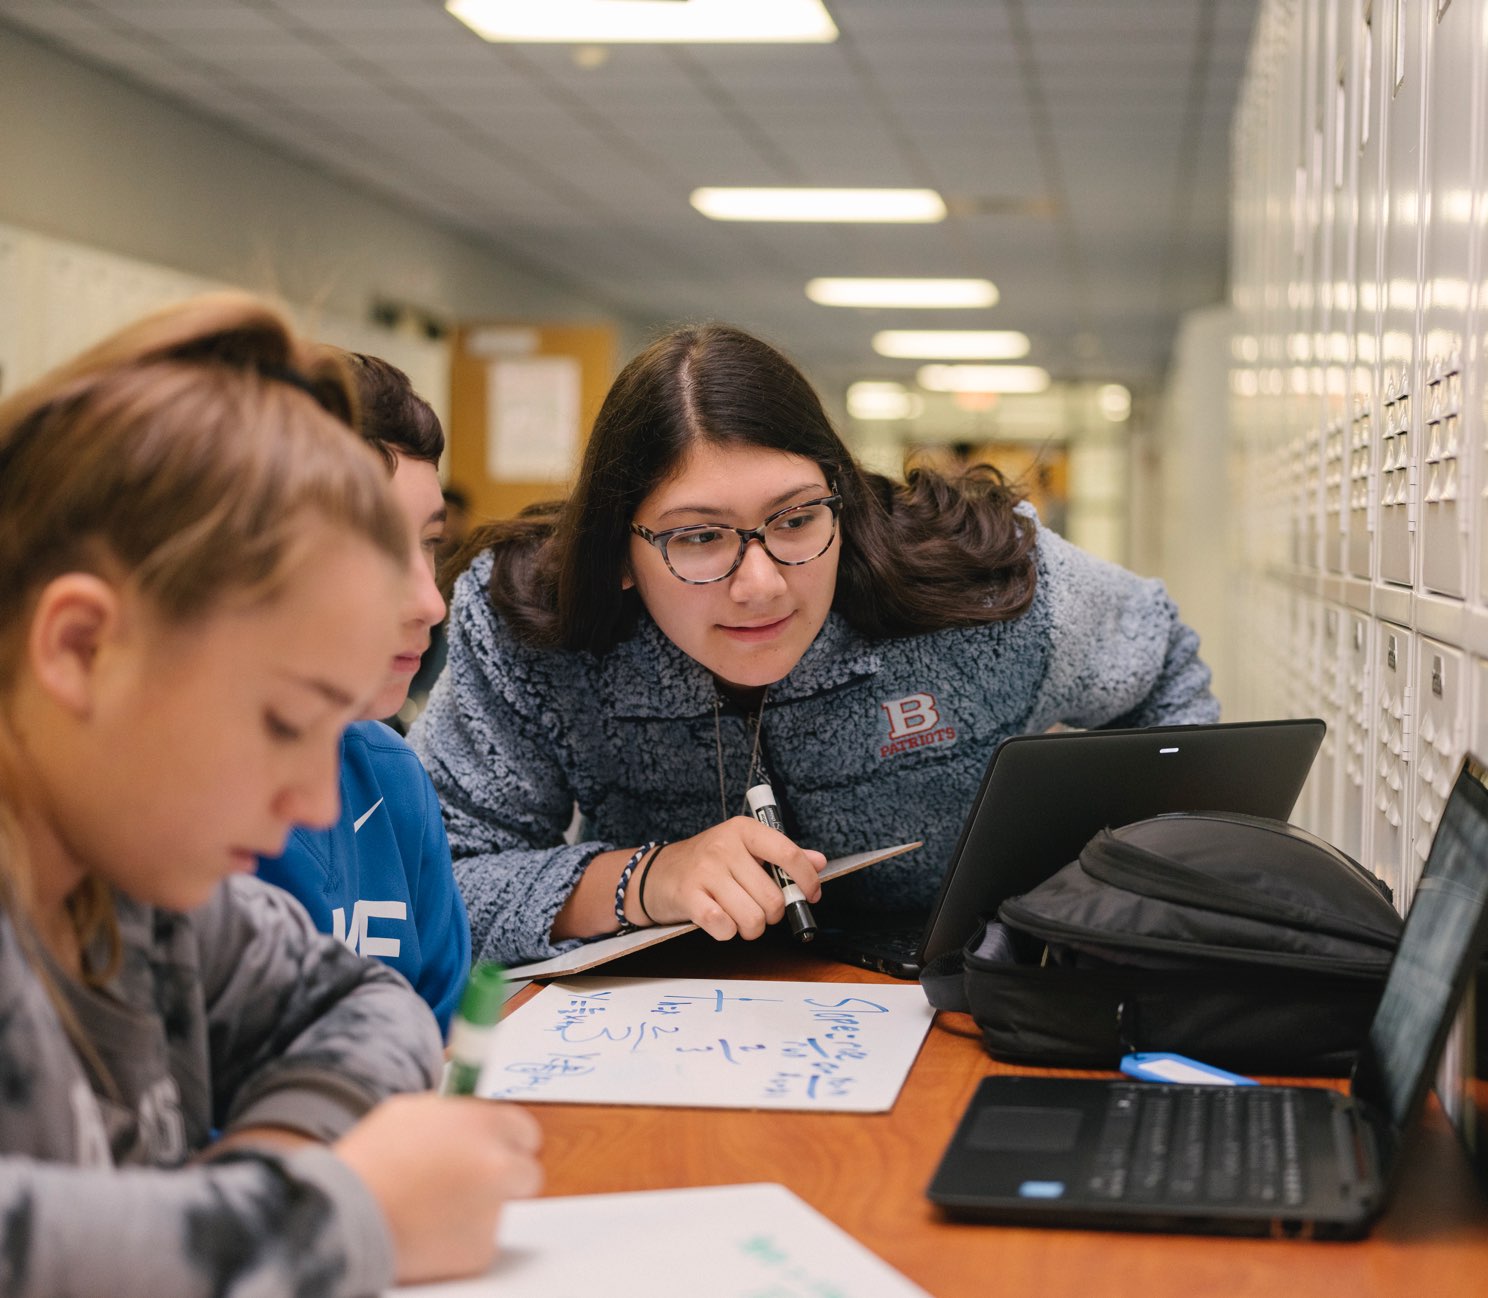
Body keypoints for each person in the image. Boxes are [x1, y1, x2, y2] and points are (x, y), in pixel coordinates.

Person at [0, 294, 541, 1296]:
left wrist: (275, 1166)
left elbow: (365, 999)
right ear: (80, 648)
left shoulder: (134, 891)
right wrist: (334, 1219)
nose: (317, 803)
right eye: (285, 721)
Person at [410, 323, 1218, 967]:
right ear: (619, 552)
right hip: (687, 1037)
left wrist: (1111, 896)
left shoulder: (974, 583)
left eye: (796, 519)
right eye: (700, 537)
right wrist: (648, 879)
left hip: (965, 1006)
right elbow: (437, 882)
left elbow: (1161, 667)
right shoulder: (535, 620)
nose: (761, 583)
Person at [256, 351, 469, 1033]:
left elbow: (441, 1035)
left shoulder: (390, 774)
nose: (431, 604)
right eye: (377, 550)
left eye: (431, 543)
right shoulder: (170, 809)